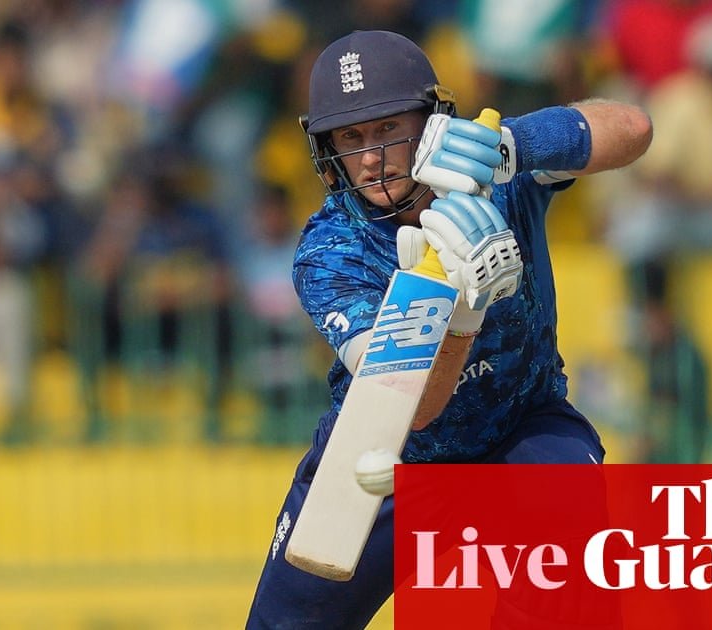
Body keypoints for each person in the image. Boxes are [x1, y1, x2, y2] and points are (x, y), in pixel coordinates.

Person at [245, 30, 652, 628]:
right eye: (351, 137)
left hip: (521, 427)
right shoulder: (330, 251)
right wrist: (461, 315)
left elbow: (634, 128)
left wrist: (514, 145)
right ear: (327, 150)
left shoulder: (496, 171)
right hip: (385, 455)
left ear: (433, 120)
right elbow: (411, 410)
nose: (371, 156)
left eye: (389, 127)